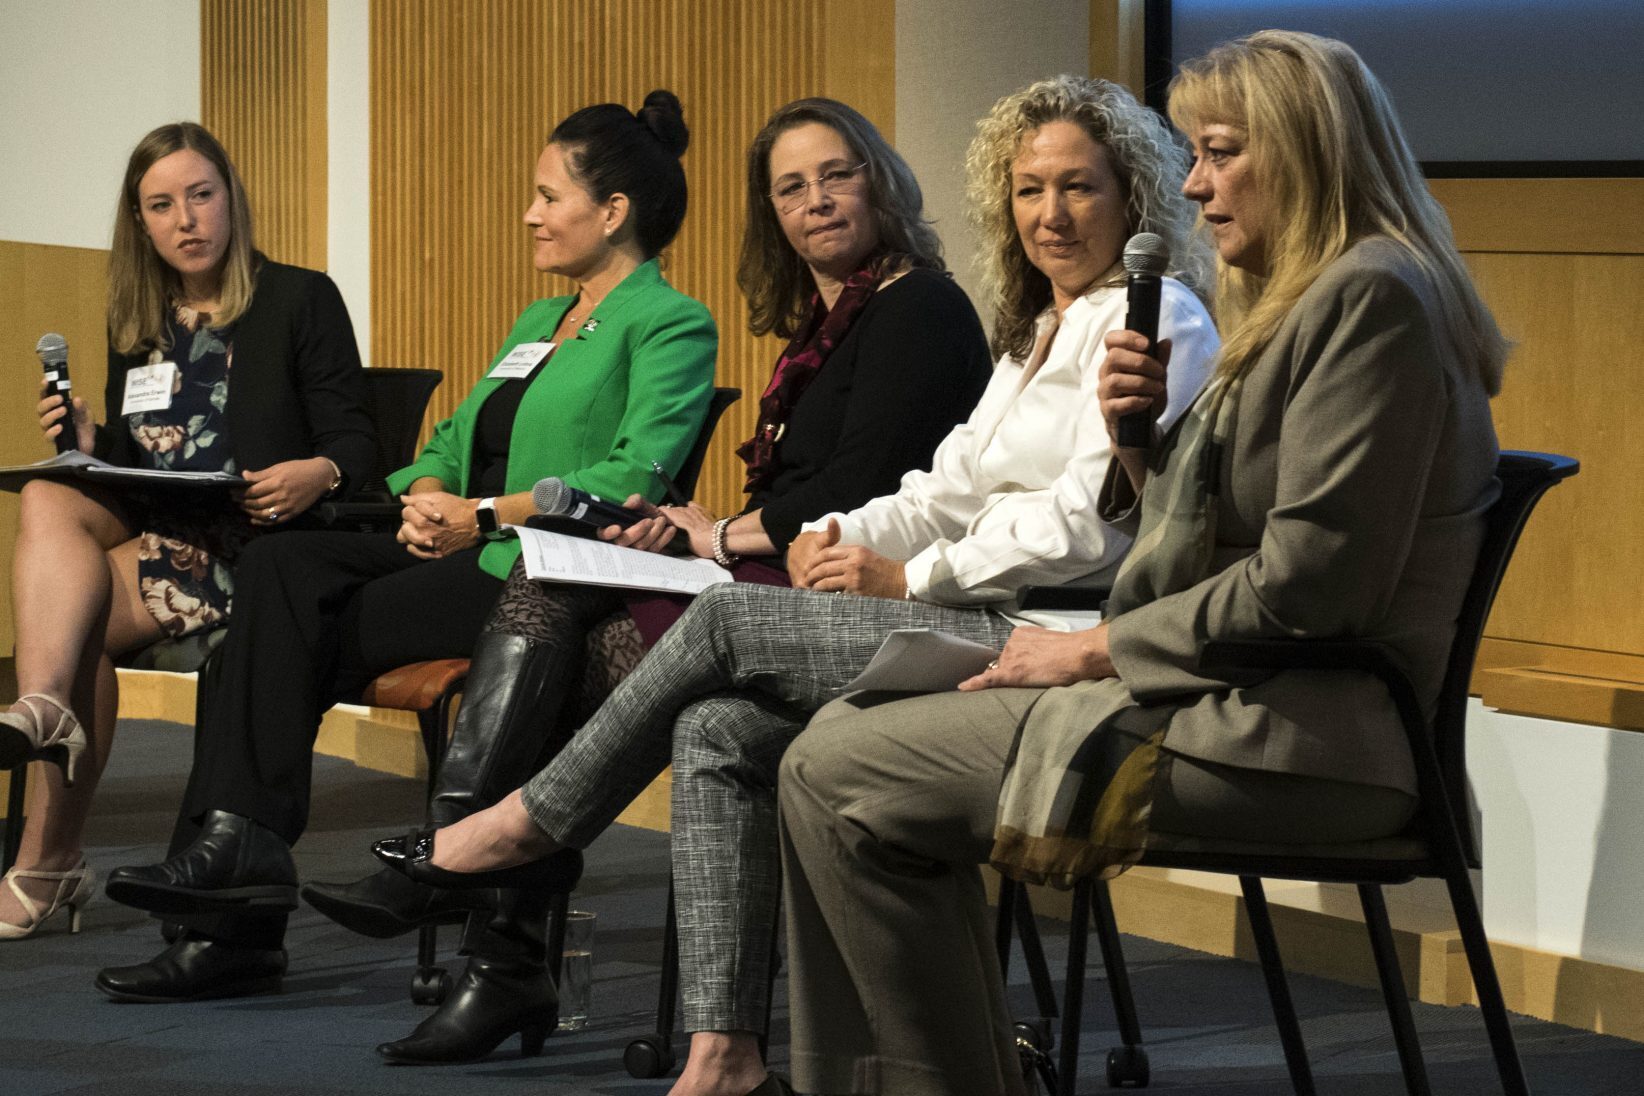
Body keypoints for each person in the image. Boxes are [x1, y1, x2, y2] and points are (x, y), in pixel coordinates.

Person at [368, 74, 1218, 1096]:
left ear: (1130, 193)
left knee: (721, 618)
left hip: (1040, 637)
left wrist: (910, 572)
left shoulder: (1156, 314)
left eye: (1077, 187)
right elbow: (943, 486)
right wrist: (836, 535)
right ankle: (723, 1055)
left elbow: (1093, 523)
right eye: (1030, 192)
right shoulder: (1038, 329)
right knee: (717, 729)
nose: (1051, 214)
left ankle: (528, 823)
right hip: (952, 613)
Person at [776, 30, 1509, 1096]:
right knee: (838, 740)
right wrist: (1140, 446)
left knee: (833, 772)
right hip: (1229, 700)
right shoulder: (1312, 296)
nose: (1197, 187)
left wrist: (1094, 652)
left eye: (1218, 153)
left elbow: (1313, 585)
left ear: (1300, 152)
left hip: (1291, 739)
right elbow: (1240, 534)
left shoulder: (1370, 300)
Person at [301, 97, 994, 1064]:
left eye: (837, 175)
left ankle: (479, 907)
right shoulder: (835, 316)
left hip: (849, 593)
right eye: (790, 188)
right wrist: (701, 534)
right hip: (769, 572)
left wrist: (716, 534)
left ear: (880, 177)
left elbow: (858, 485)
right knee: (546, 603)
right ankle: (491, 929)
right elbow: (799, 487)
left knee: (549, 614)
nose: (817, 201)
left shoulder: (918, 304)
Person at [97, 91, 718, 1005]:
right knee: (276, 568)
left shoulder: (671, 322)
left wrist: (485, 515)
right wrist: (429, 496)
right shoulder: (536, 323)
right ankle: (238, 857)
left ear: (612, 212)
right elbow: (443, 442)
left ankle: (233, 897)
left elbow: (631, 477)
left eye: (548, 196)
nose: (530, 213)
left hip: (536, 567)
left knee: (258, 650)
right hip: (454, 543)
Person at [0, 122, 373, 941]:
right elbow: (148, 462)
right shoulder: (139, 318)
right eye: (161, 205)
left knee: (81, 622)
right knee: (47, 493)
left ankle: (46, 857)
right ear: (140, 222)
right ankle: (45, 708)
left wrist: (320, 471)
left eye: (200, 196)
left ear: (231, 199)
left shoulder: (297, 297)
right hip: (168, 536)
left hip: (264, 547)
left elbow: (356, 442)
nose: (186, 220)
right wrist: (96, 447)